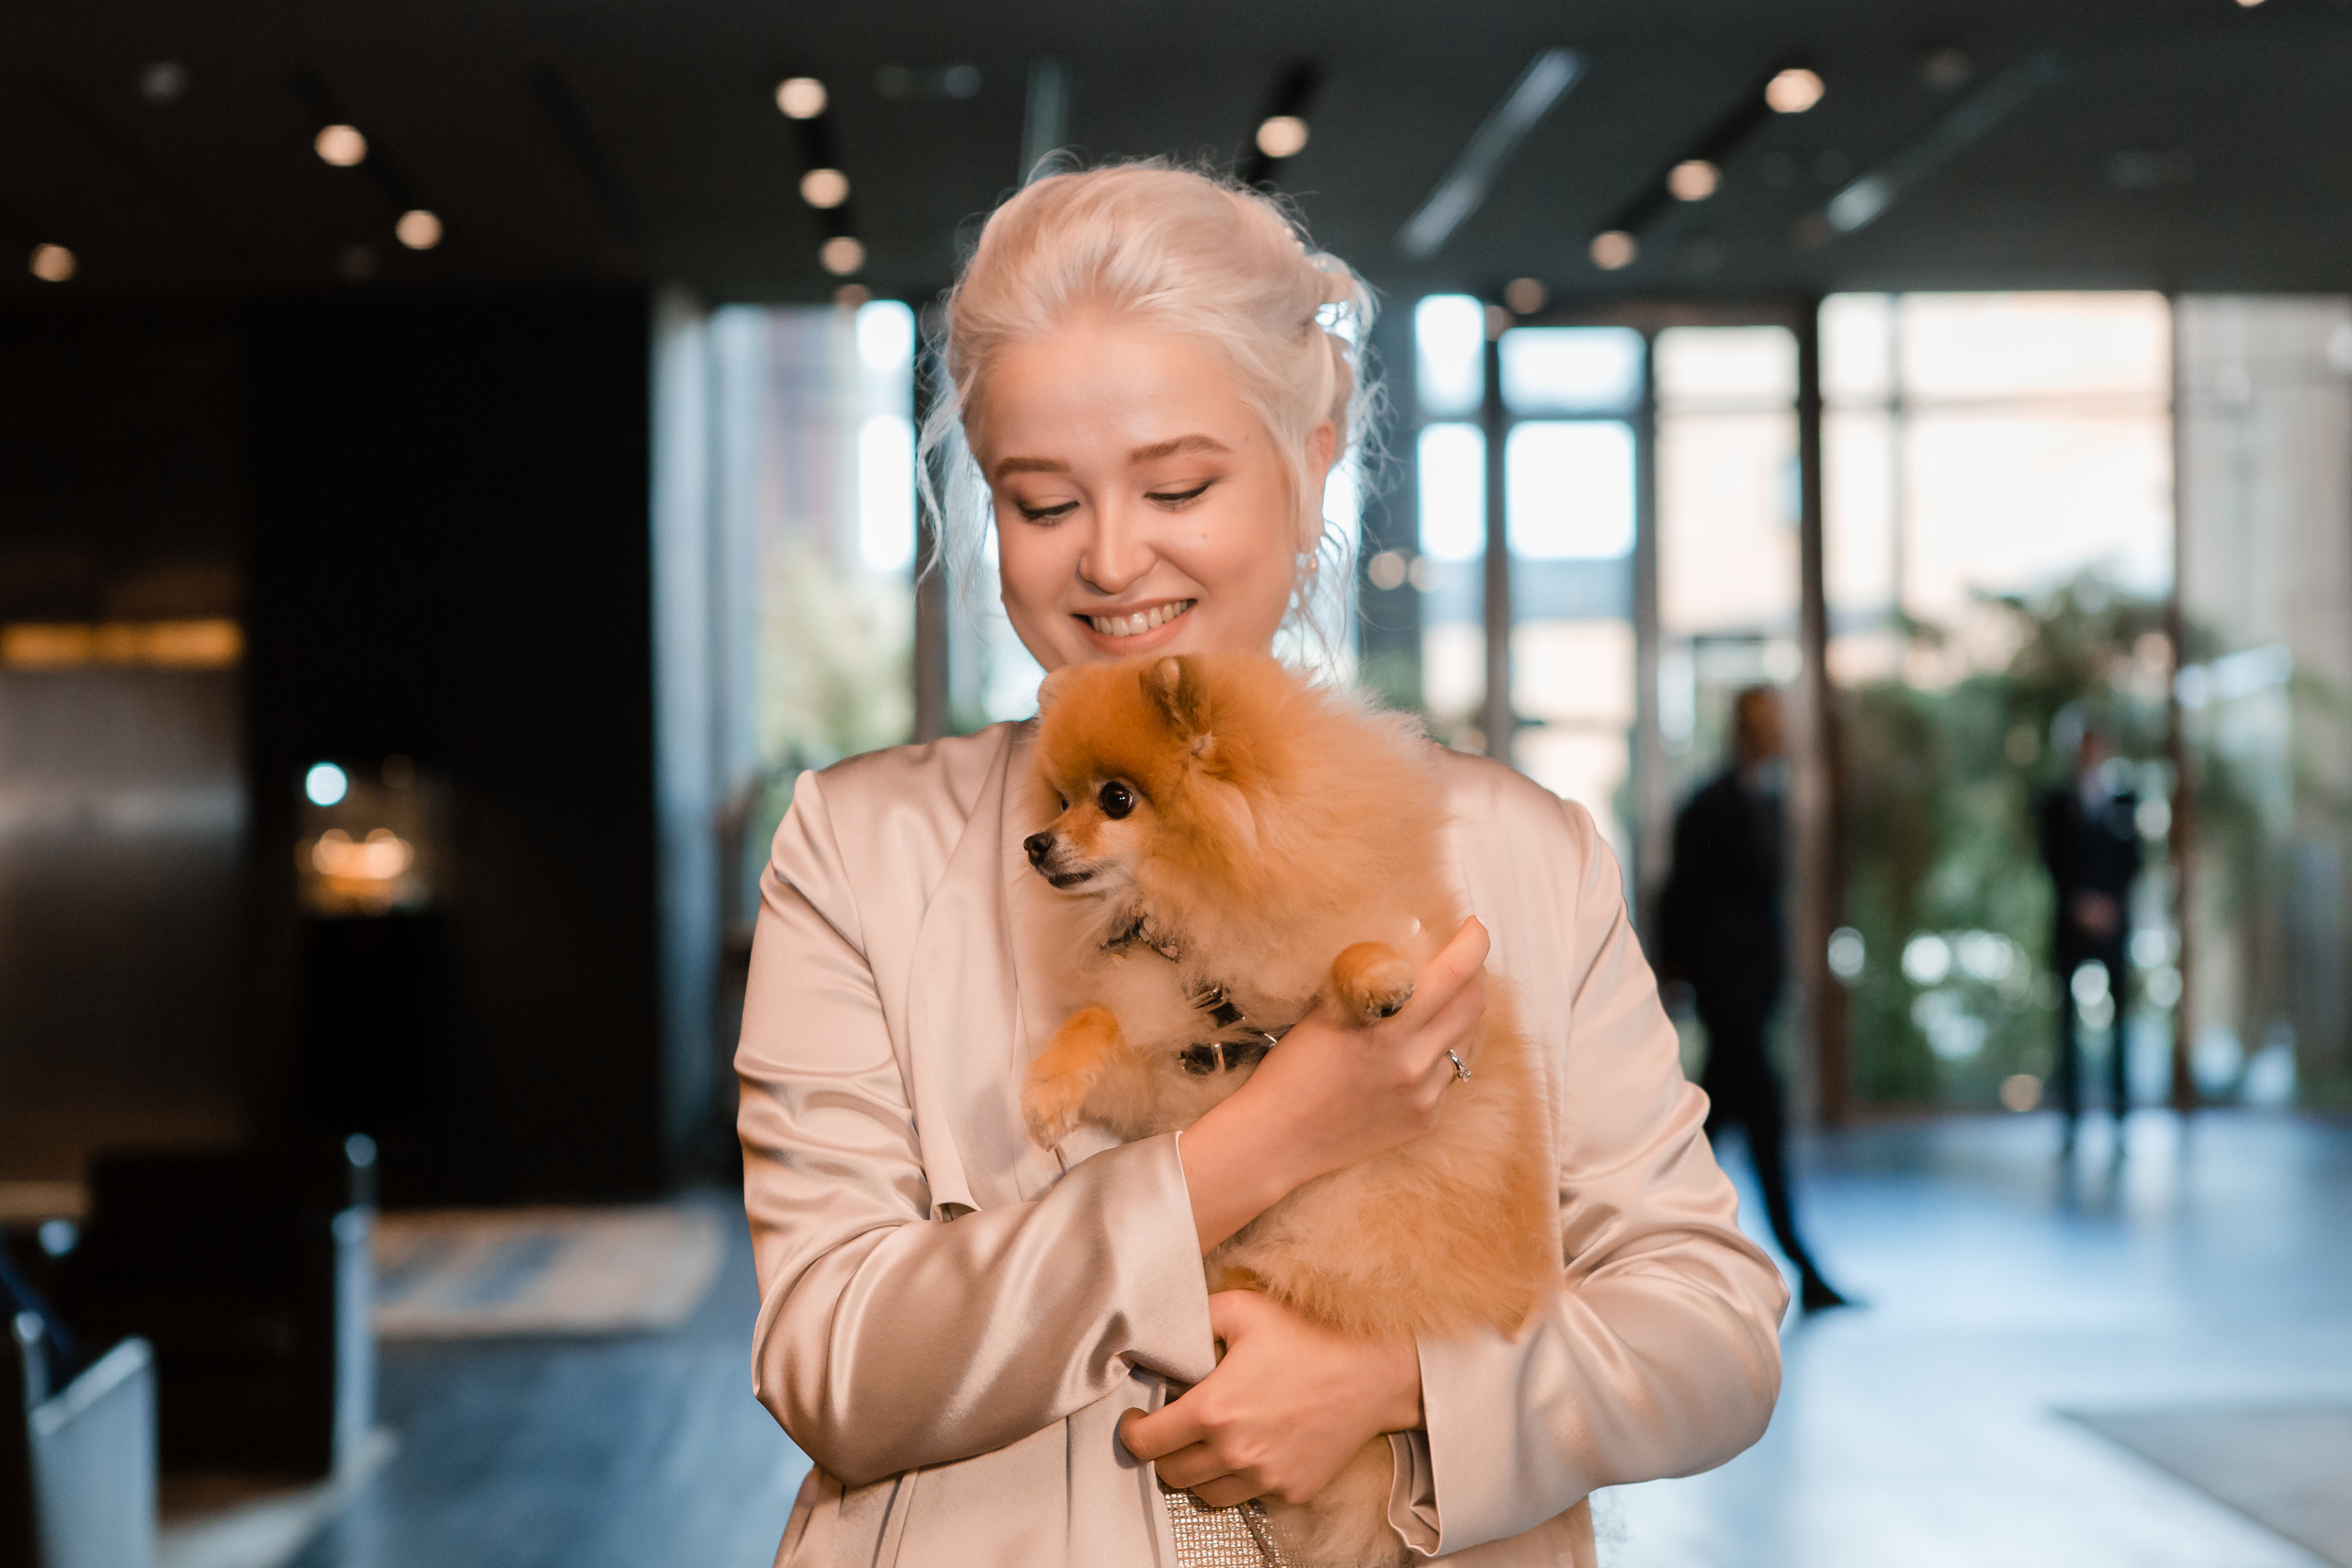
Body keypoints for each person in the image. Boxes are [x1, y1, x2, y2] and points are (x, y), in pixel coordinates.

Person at [735, 164, 1786, 1567]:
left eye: (1178, 483)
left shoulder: (1519, 851)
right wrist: (1265, 1137)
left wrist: (1402, 1387)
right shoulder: (864, 848)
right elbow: (832, 1362)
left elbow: (1713, 1325)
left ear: (1314, 446)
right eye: (1042, 504)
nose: (1113, 560)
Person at [1657, 685, 1849, 1314]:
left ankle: (1656, 1229)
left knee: (1715, 1129)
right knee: (1758, 1126)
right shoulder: (1711, 806)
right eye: (1771, 721)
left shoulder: (1765, 801)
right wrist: (1681, 974)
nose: (1781, 732)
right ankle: (1800, 1262)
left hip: (1751, 994)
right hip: (1725, 992)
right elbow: (1682, 899)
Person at [2037, 725, 2140, 1134]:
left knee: (2120, 1024)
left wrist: (2106, 905)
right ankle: (2070, 1119)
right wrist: (2079, 903)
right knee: (2066, 1025)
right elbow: (2049, 858)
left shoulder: (2125, 801)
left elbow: (2133, 861)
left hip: (2114, 924)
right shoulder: (2057, 802)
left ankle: (2120, 1116)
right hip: (2070, 924)